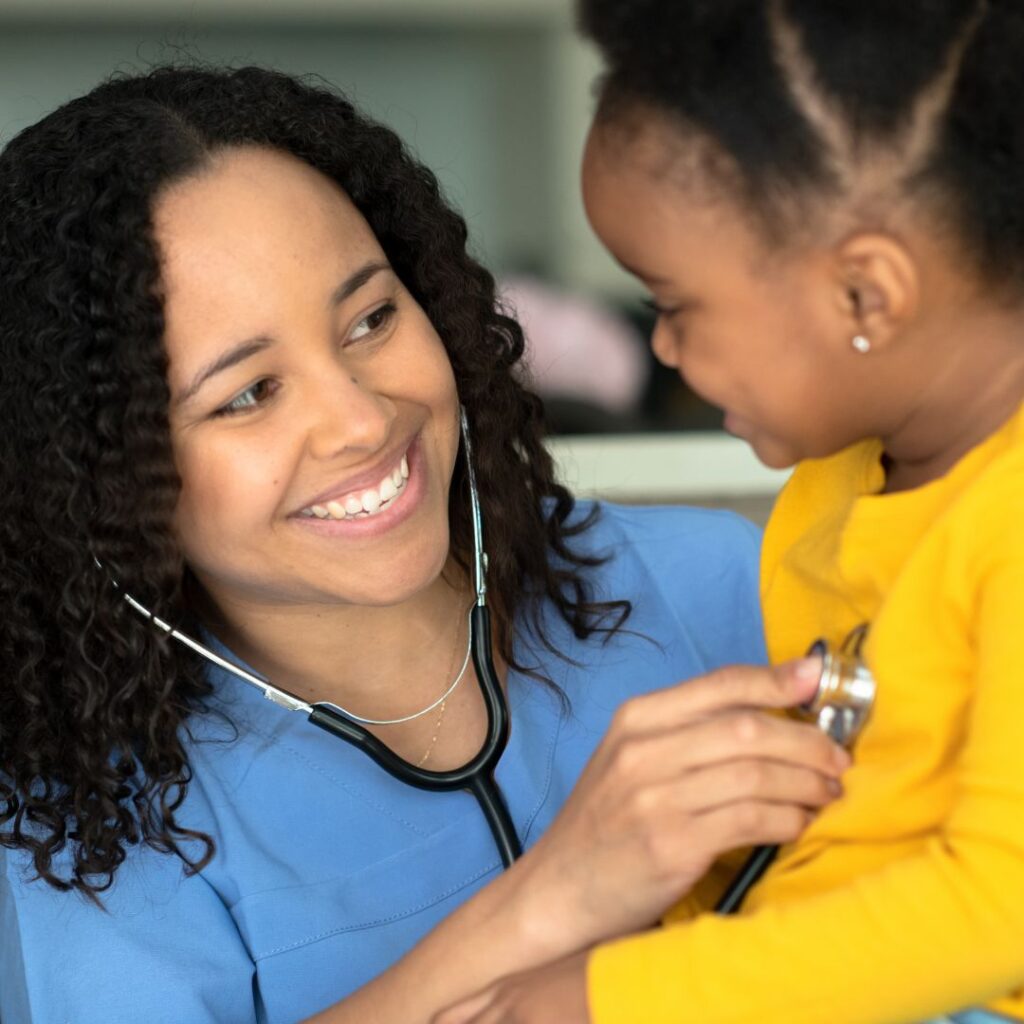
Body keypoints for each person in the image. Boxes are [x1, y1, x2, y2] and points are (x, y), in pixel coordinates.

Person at [0, 66, 850, 1024]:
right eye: (247, 394)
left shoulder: (726, 584)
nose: (361, 420)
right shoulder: (90, 821)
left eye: (370, 319)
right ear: (101, 478)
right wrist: (551, 902)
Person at [436, 1, 1024, 1022]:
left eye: (673, 304)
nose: (660, 350)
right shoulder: (839, 485)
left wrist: (611, 995)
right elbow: (844, 833)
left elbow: (993, 905)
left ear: (865, 296)